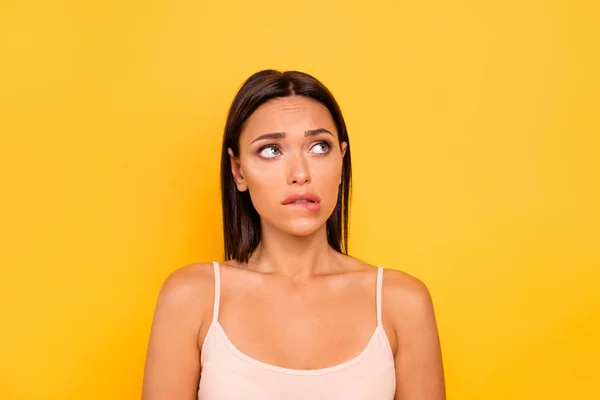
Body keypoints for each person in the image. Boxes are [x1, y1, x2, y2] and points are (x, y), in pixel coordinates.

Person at [142, 70, 445, 399]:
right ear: (238, 171)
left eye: (319, 147)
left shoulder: (402, 303)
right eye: (271, 150)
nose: (300, 174)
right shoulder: (192, 298)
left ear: (341, 161)